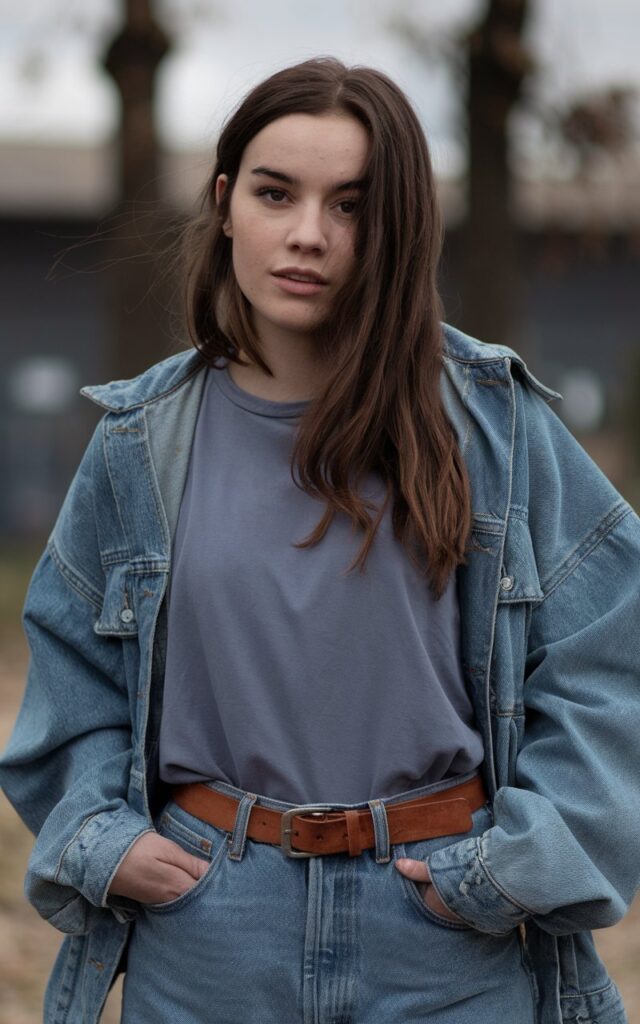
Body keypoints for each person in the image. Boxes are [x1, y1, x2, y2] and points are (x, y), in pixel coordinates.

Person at [0, 55, 638, 1024]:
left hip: (444, 933)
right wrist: (103, 836)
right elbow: (72, 668)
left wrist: (510, 866)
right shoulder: (141, 440)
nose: (307, 235)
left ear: (398, 227)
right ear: (224, 203)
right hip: (206, 927)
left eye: (350, 205)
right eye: (274, 192)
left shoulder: (493, 425)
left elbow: (610, 658)